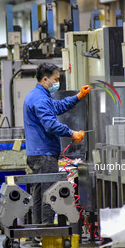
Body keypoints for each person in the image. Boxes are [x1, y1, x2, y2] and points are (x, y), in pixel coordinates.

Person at [23, 62, 90, 225]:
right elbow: (50, 124)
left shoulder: (40, 95)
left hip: (38, 154)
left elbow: (58, 106)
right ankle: (46, 233)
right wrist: (71, 133)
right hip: (44, 155)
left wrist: (78, 97)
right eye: (56, 79)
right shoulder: (39, 99)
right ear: (45, 79)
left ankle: (37, 233)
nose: (58, 82)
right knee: (49, 195)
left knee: (40, 195)